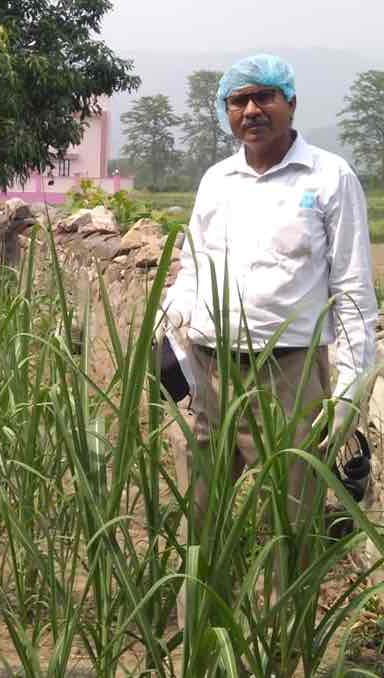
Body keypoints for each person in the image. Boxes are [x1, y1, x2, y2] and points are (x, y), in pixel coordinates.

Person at [162, 53, 376, 601]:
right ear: (226, 112)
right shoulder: (217, 180)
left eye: (264, 97)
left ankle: (285, 643)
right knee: (200, 517)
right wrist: (173, 334)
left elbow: (351, 289)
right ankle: (200, 634)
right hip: (213, 369)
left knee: (292, 521)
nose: (251, 110)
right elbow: (194, 265)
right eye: (239, 101)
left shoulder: (329, 177)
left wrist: (352, 386)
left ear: (291, 103)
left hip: (291, 373)